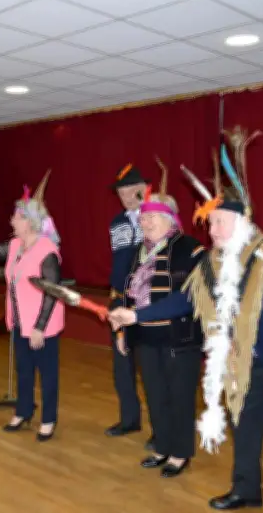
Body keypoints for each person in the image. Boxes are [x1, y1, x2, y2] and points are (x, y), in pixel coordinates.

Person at [110, 128, 263, 508]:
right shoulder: (213, 264)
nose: (211, 230)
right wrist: (136, 314)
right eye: (210, 222)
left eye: (218, 222)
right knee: (245, 429)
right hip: (243, 363)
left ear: (242, 221)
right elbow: (184, 301)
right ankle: (245, 490)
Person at [109, 161, 205, 476]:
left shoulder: (190, 249)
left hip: (179, 339)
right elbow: (127, 290)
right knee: (155, 395)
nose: (145, 222)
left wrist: (136, 314)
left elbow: (186, 299)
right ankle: (162, 446)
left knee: (179, 396)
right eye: (143, 216)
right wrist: (124, 329)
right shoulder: (139, 251)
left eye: (151, 216)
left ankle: (179, 453)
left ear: (169, 218)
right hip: (145, 338)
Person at [0, 171, 64, 441]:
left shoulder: (47, 251)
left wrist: (39, 327)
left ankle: (48, 419)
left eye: (16, 216)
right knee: (24, 370)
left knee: (47, 374)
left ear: (29, 222)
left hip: (42, 325)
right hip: (20, 320)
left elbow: (52, 293)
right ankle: (23, 411)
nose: (12, 219)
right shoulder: (15, 246)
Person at [107, 163, 152, 449]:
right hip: (120, 296)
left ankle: (160, 429)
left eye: (129, 189)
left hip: (146, 301)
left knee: (149, 366)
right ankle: (129, 418)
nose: (124, 195)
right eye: (120, 190)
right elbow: (123, 257)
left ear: (142, 189)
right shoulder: (118, 223)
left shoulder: (157, 219)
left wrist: (144, 222)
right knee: (121, 363)